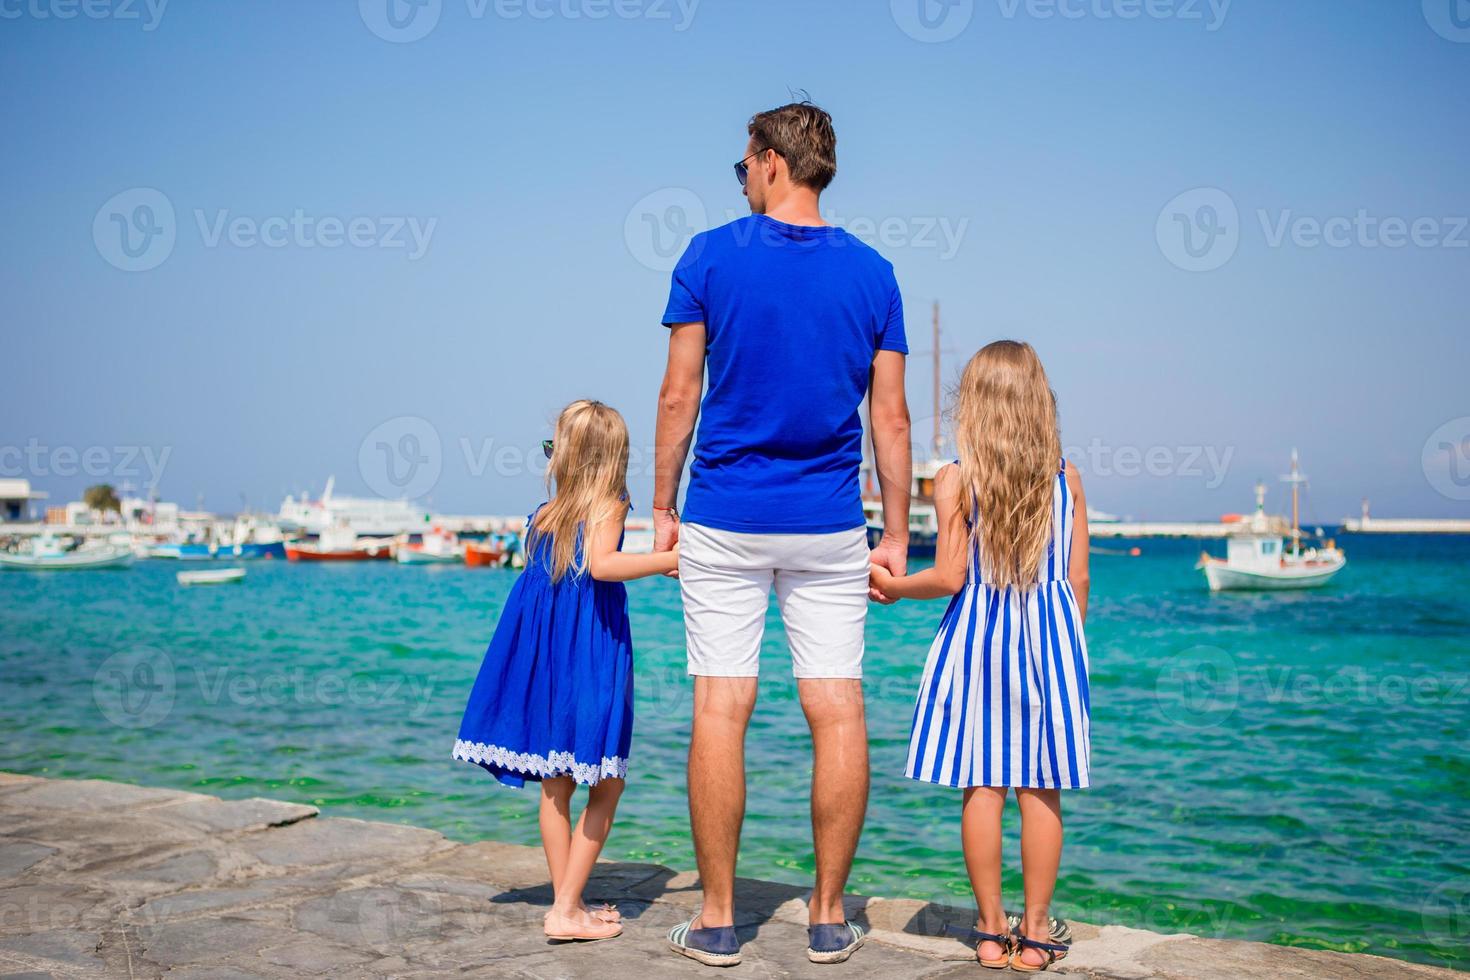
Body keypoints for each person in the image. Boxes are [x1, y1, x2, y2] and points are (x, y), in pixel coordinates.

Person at [654, 101, 912, 967]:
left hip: (725, 516)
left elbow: (678, 396)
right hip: (831, 523)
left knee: (722, 706)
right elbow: (893, 421)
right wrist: (901, 537)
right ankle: (830, 918)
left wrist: (660, 507)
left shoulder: (711, 256)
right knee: (835, 707)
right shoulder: (874, 274)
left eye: (742, 165)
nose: (742, 180)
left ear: (770, 162)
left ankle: (721, 920)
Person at [869, 341, 1091, 973]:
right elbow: (1077, 580)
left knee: (984, 784)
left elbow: (947, 576)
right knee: (1041, 787)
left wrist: (891, 585)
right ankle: (1039, 931)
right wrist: (1067, 643)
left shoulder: (956, 479)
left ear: (972, 405)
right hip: (1049, 636)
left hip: (980, 637)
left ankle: (992, 931)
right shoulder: (1065, 478)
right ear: (1037, 403)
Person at [452, 399, 679, 943]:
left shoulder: (543, 516)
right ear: (612, 458)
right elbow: (603, 565)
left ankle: (567, 903)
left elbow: (536, 606)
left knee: (555, 786)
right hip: (590, 655)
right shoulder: (611, 502)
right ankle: (564, 911)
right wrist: (671, 560)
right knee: (607, 779)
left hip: (550, 663)